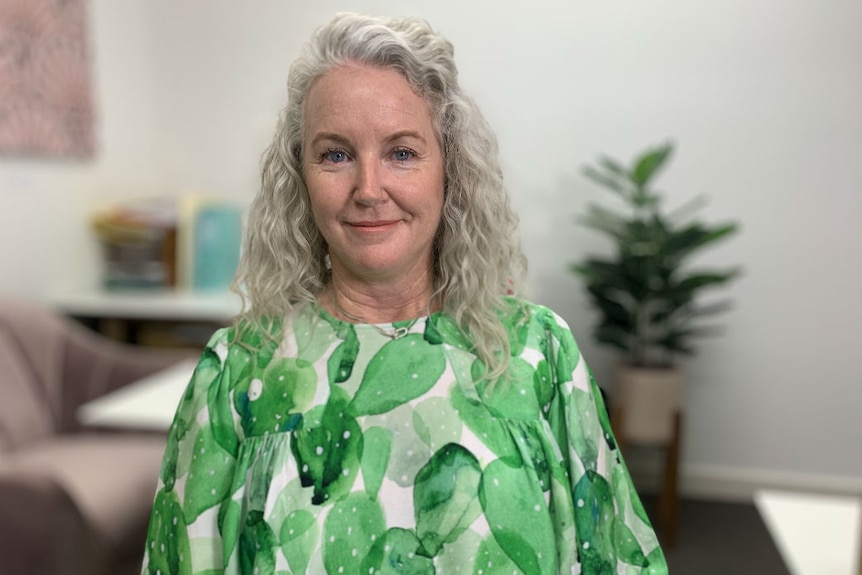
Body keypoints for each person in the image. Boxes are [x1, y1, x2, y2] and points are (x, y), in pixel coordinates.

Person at [141, 12, 668, 575]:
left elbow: (617, 559)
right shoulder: (239, 373)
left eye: (402, 152)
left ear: (451, 171)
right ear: (300, 176)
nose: (369, 190)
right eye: (336, 155)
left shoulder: (540, 355)